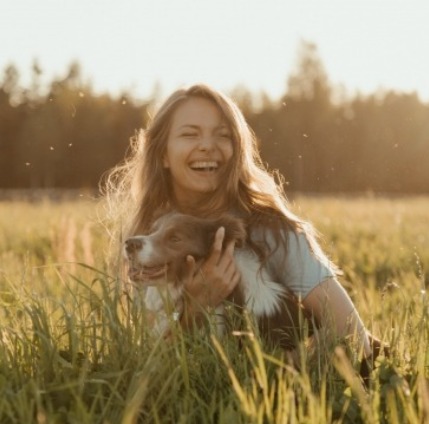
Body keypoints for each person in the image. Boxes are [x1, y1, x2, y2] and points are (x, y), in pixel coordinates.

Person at [104, 84, 382, 371]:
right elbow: (152, 364)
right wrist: (195, 306)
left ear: (237, 149)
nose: (207, 146)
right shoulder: (146, 238)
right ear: (162, 153)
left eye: (223, 135)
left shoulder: (274, 231)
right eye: (190, 134)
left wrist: (289, 378)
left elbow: (354, 336)